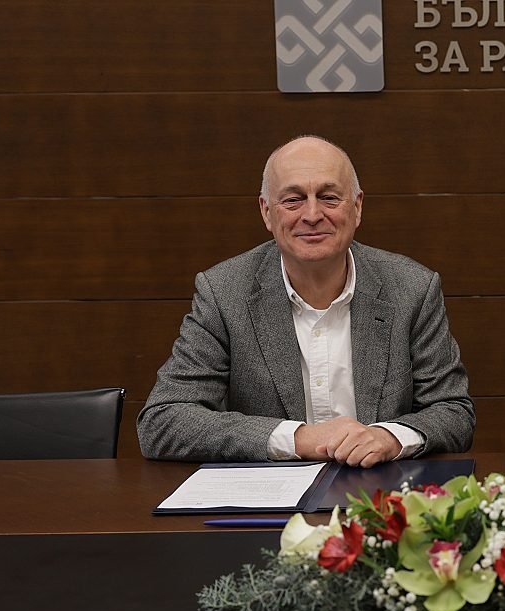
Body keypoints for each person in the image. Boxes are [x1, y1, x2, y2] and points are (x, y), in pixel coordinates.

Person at [139, 136, 475, 466]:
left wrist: (389, 438)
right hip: (271, 495)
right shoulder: (225, 292)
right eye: (293, 200)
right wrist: (299, 439)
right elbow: (163, 420)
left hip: (379, 488)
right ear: (266, 212)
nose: (312, 214)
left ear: (357, 207)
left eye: (329, 197)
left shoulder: (412, 288)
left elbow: (453, 412)